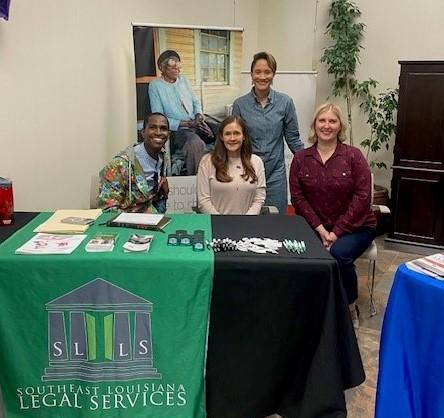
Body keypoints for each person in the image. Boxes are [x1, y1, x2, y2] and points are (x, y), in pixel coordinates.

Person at [289, 103, 376, 331]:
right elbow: (298, 199)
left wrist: (336, 232)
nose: (326, 126)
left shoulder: (353, 156)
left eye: (332, 121)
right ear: (314, 125)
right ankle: (311, 308)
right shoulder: (301, 158)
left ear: (340, 126)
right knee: (296, 253)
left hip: (356, 227)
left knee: (338, 255)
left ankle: (348, 307)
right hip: (315, 226)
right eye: (322, 121)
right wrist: (320, 229)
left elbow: (363, 197)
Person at [232, 51, 304, 214]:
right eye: (257, 72)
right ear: (251, 75)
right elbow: (232, 140)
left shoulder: (285, 102)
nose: (262, 77)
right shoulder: (240, 105)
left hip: (275, 176)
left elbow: (293, 139)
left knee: (276, 223)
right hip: (246, 173)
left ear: (273, 74)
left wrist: (312, 161)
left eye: (267, 72)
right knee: (245, 223)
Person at [149, 49, 214, 175]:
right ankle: (197, 179)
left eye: (178, 67)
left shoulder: (183, 80)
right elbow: (158, 117)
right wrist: (186, 124)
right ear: (163, 68)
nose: (177, 71)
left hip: (196, 122)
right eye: (172, 68)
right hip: (178, 130)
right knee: (195, 144)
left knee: (223, 130)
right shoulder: (155, 85)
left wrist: (198, 115)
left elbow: (195, 101)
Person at [98, 112, 170, 213]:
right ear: (143, 133)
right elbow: (107, 209)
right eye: (153, 127)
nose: (158, 132)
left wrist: (162, 194)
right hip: (125, 223)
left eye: (163, 128)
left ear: (168, 134)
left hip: (152, 217)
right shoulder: (120, 164)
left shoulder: (163, 157)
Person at [196, 115, 266, 214]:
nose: (232, 138)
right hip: (217, 225)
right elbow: (203, 201)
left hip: (248, 225)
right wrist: (223, 223)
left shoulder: (256, 162)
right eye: (228, 134)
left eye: (237, 133)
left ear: (244, 136)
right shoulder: (207, 161)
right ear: (221, 137)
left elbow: (259, 199)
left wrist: (246, 221)